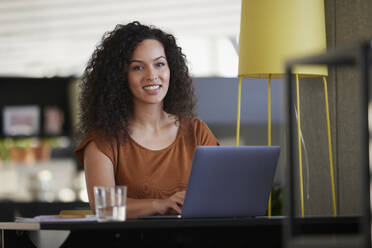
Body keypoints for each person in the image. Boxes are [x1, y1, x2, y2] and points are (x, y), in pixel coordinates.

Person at [75, 21, 219, 219]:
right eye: (137, 68)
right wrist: (160, 205)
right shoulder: (104, 139)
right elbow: (104, 208)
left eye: (159, 64)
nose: (152, 75)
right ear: (119, 77)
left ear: (171, 70)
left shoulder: (197, 132)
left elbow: (219, 196)